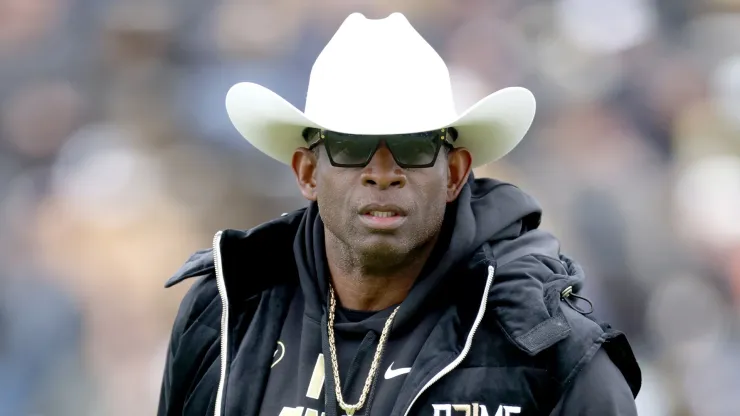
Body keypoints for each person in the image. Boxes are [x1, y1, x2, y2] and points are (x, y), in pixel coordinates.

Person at [158, 13, 641, 416]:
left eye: (412, 147)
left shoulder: (548, 346)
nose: (382, 173)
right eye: (351, 147)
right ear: (307, 172)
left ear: (455, 173)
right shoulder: (225, 314)